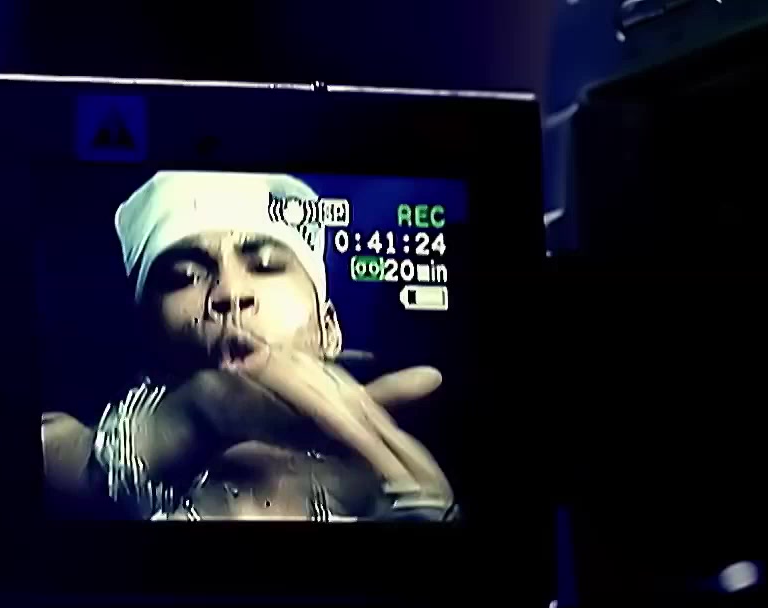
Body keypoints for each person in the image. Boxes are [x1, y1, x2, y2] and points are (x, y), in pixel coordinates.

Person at [41, 171, 457, 521]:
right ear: (148, 339)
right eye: (185, 276)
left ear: (328, 330)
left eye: (266, 266)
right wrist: (190, 418)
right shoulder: (85, 458)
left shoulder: (394, 484)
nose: (229, 292)